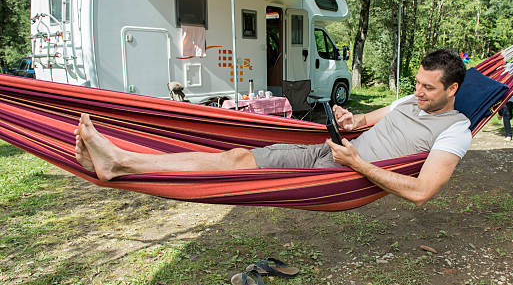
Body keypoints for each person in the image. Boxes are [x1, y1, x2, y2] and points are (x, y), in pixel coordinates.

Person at [74, 49, 472, 206]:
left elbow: (421, 193)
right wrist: (351, 121)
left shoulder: (456, 129)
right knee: (235, 156)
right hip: (329, 151)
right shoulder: (408, 100)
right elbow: (367, 121)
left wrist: (356, 164)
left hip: (343, 176)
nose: (417, 92)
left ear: (452, 89)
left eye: (427, 88)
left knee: (238, 173)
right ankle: (120, 161)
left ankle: (121, 162)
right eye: (416, 83)